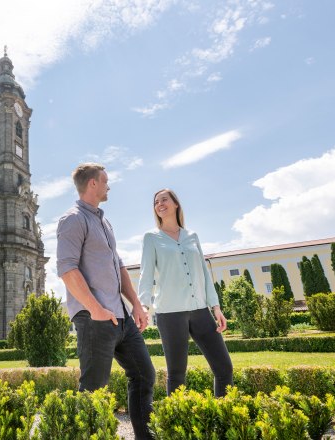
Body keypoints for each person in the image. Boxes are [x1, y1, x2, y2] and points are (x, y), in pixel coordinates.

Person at [57, 163, 155, 440]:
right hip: (94, 318)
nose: (109, 185)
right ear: (92, 184)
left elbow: (119, 265)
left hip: (121, 318)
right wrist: (95, 308)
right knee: (93, 388)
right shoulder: (73, 219)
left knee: (144, 375)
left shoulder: (104, 221)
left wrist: (135, 303)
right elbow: (67, 269)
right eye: (105, 181)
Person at [138, 188, 233, 397]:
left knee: (224, 368)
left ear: (175, 204)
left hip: (200, 311)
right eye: (156, 202)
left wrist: (215, 307)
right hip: (170, 313)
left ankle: (225, 418)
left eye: (164, 200)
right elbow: (146, 275)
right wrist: (143, 306)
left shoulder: (192, 236)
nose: (159, 204)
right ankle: (176, 423)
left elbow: (204, 273)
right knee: (177, 374)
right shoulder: (151, 238)